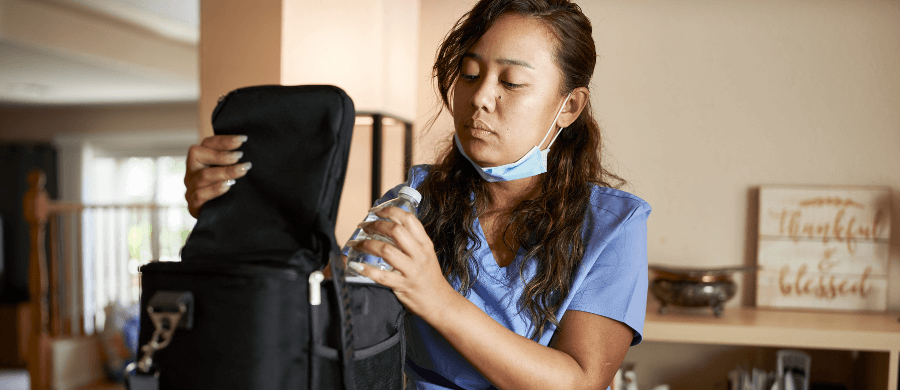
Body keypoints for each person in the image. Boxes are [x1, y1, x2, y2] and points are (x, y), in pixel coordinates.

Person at [184, 1, 650, 389]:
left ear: (569, 106)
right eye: (469, 74)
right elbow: (343, 312)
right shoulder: (415, 197)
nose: (481, 97)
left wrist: (436, 297)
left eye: (511, 82)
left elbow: (579, 381)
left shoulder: (612, 226)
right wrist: (241, 217)